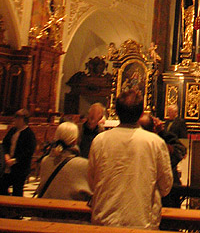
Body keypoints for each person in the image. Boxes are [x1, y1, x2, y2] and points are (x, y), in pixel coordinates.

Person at [88, 89, 173, 229]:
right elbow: (165, 186)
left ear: (116, 111)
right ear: (141, 114)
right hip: (141, 220)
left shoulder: (100, 140)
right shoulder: (155, 142)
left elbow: (92, 182)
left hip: (104, 220)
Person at [36, 122, 90, 200]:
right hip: (71, 210)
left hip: (45, 209)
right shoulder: (84, 165)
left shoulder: (45, 161)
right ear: (75, 141)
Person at [0, 108, 36, 196]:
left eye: (16, 118)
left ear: (22, 120)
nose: (14, 120)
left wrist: (15, 160)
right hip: (8, 165)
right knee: (2, 187)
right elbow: (5, 143)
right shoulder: (12, 130)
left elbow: (28, 151)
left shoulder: (29, 134)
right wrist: (6, 155)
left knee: (17, 190)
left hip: (20, 168)